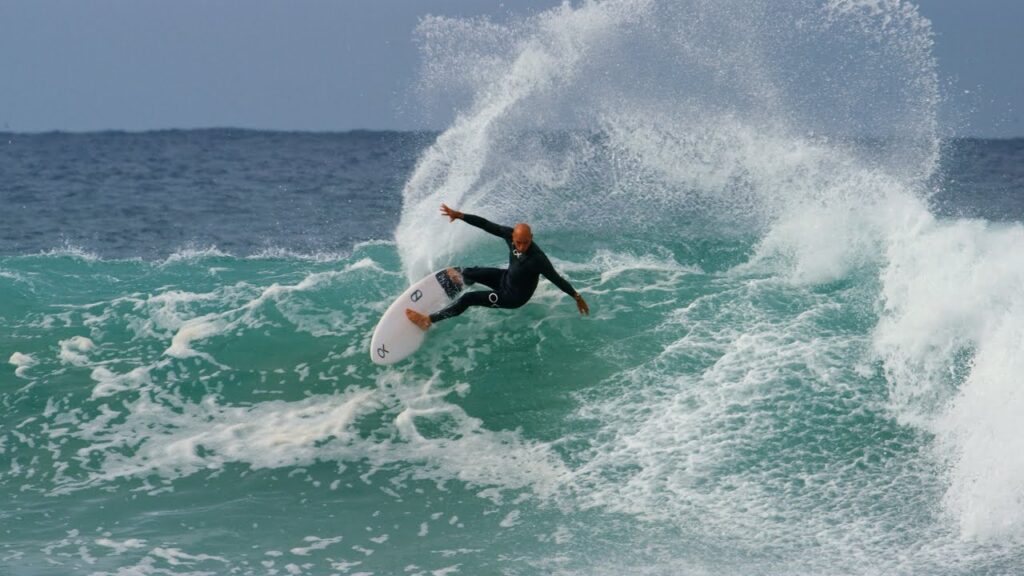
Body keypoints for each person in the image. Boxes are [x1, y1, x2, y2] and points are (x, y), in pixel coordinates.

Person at [405, 204, 589, 330]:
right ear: (513, 238)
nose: (522, 246)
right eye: (518, 242)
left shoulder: (537, 259)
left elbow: (557, 279)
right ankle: (463, 282)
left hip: (512, 297)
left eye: (526, 242)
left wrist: (576, 296)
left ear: (531, 237)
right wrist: (460, 216)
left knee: (468, 299)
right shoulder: (510, 235)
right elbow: (486, 225)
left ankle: (428, 320)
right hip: (505, 278)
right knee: (467, 271)